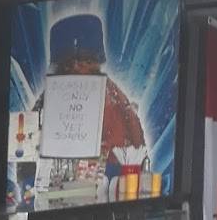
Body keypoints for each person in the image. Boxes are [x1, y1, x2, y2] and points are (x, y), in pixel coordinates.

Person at [35, 13, 146, 198]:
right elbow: (29, 146)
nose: (77, 67)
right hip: (55, 194)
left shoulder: (115, 100)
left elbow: (134, 151)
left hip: (106, 192)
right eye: (69, 64)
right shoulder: (49, 99)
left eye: (85, 61)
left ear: (96, 61)